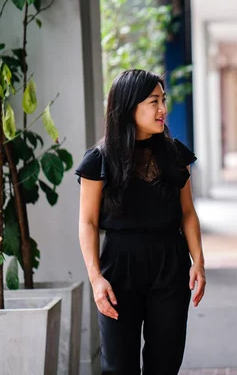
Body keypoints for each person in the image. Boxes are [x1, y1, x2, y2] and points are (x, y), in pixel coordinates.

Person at [76, 69, 205, 374]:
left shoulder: (175, 155)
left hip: (170, 264)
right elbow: (88, 223)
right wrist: (96, 279)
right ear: (128, 106)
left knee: (165, 361)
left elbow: (187, 213)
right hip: (119, 267)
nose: (163, 109)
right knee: (118, 365)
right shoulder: (99, 159)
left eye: (163, 100)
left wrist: (198, 261)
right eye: (153, 101)